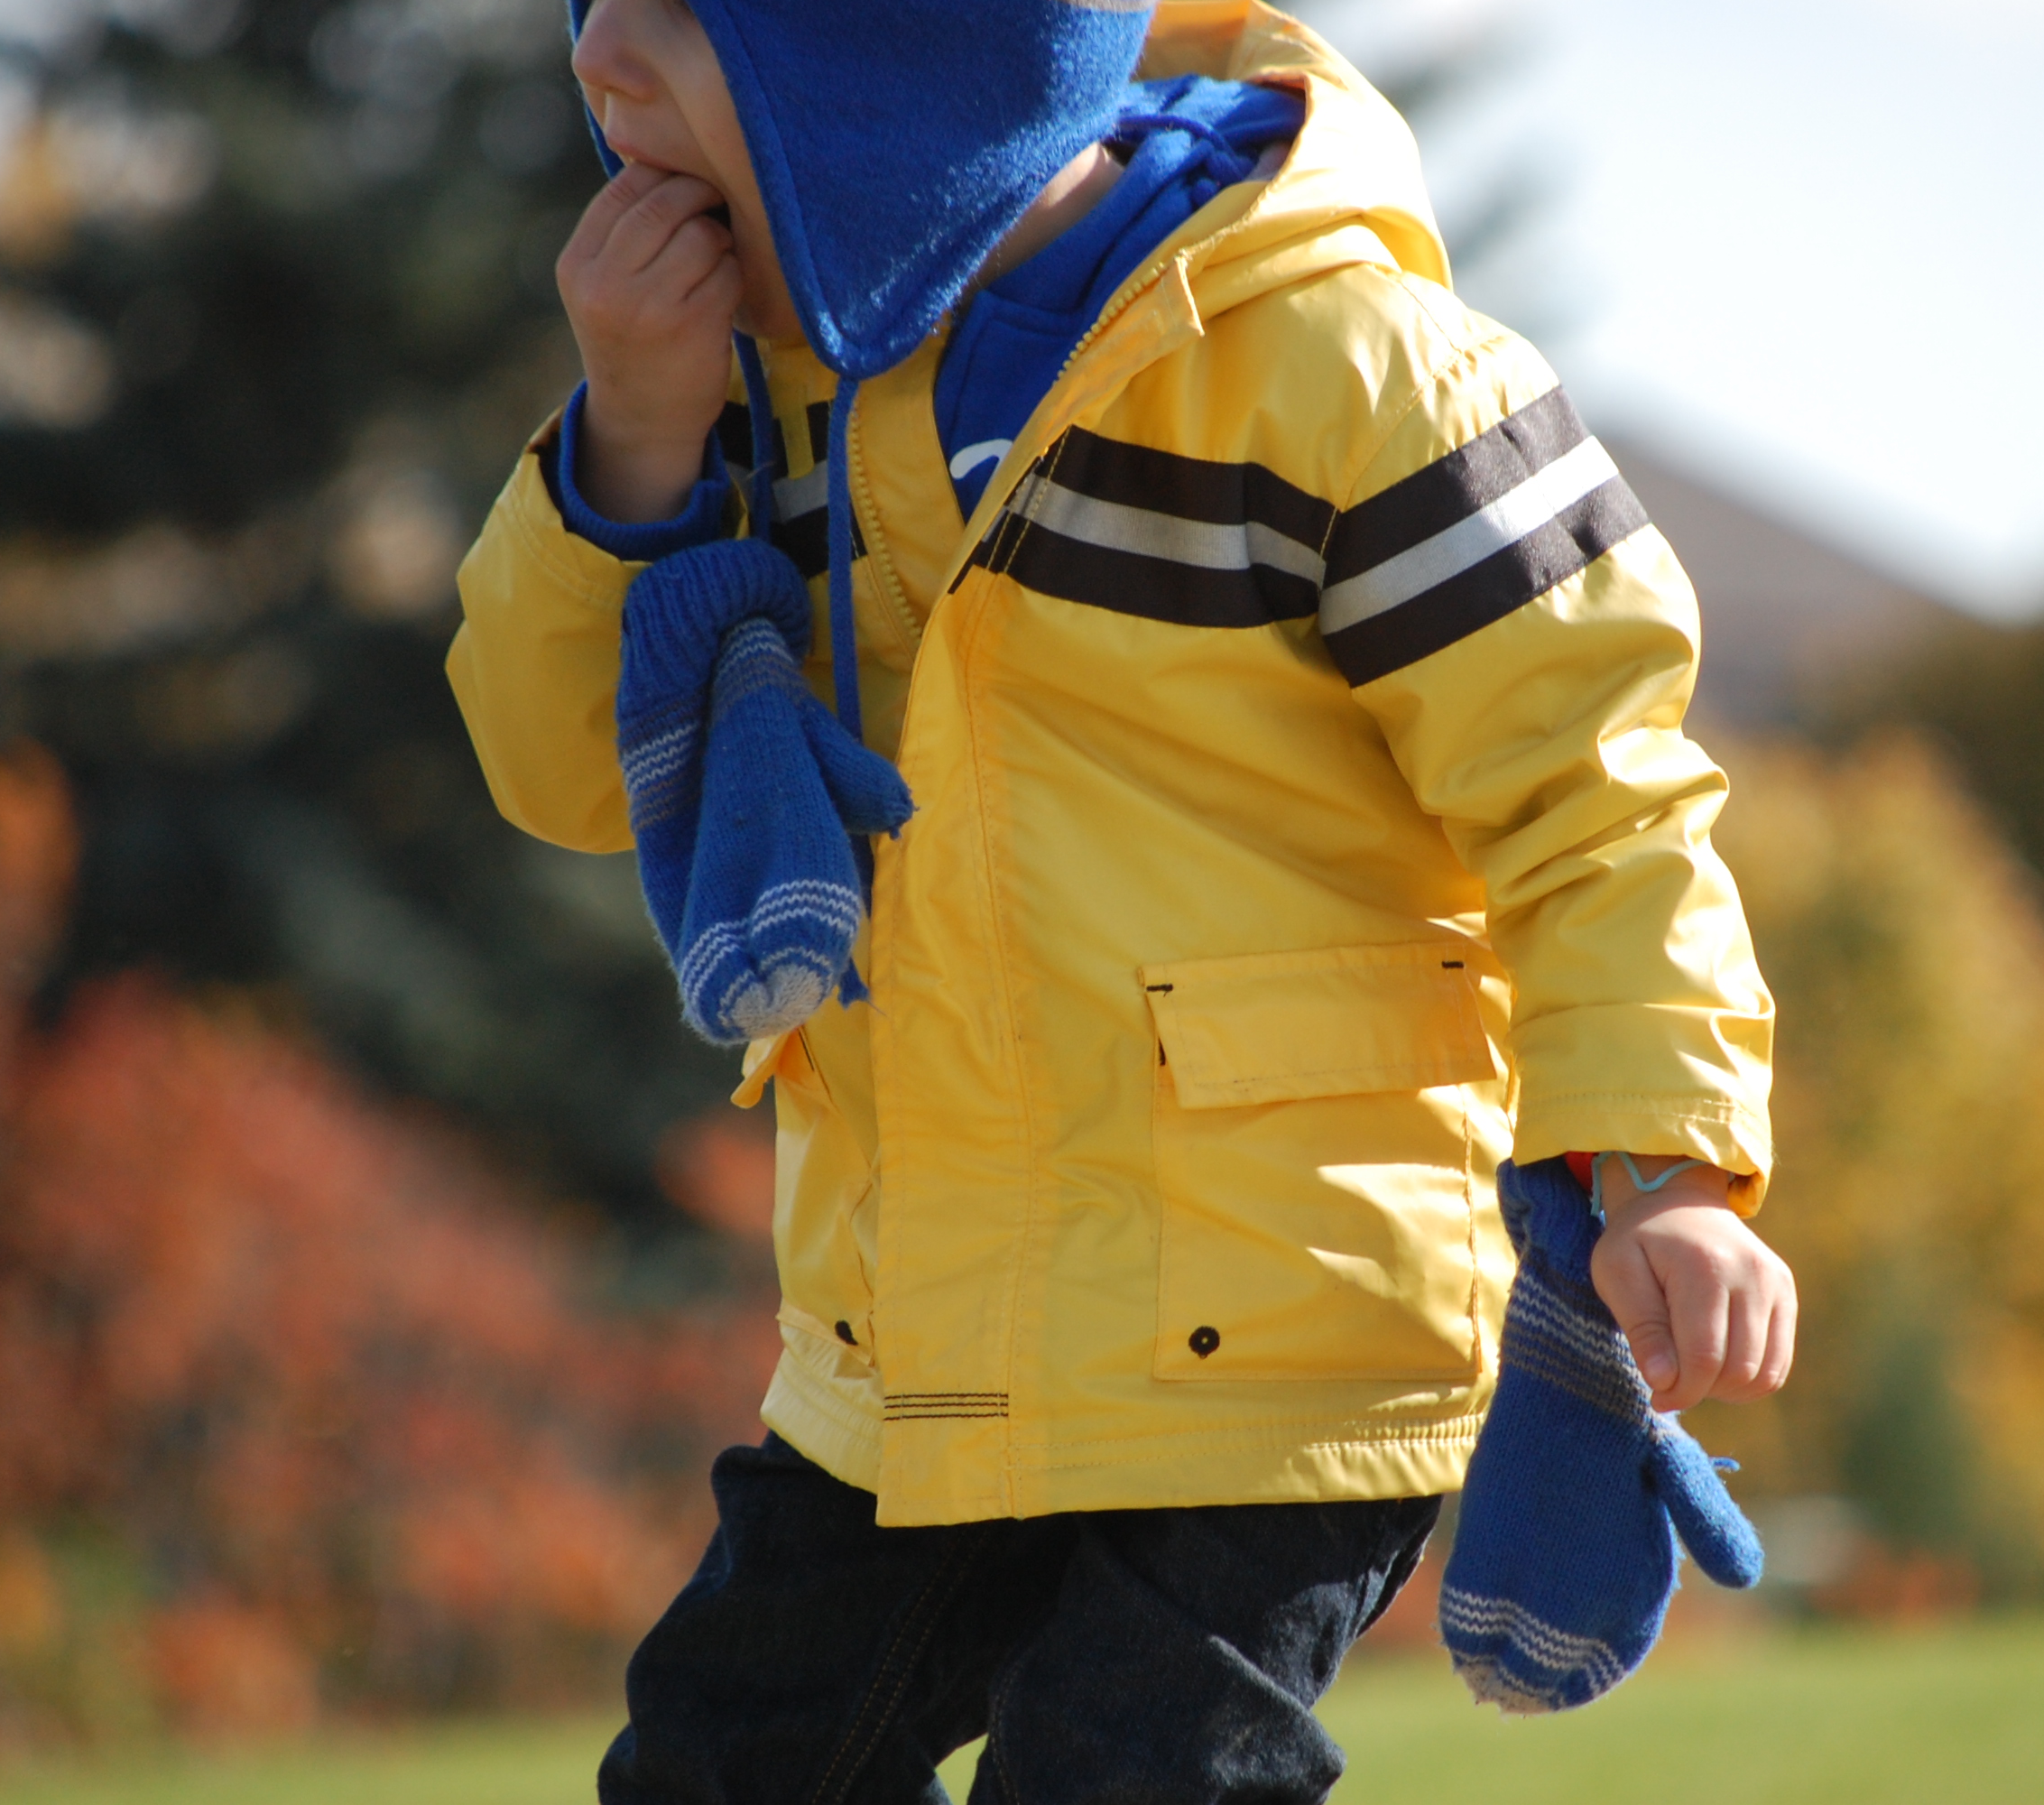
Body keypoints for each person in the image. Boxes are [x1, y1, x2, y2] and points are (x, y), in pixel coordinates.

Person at [445, 0, 1794, 1797]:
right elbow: (562, 768)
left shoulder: (1351, 370)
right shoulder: (745, 402)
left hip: (1279, 1334)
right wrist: (630, 440)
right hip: (917, 1333)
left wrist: (1662, 1165)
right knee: (720, 1770)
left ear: (892, 78)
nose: (600, 58)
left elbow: (1598, 800)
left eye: (683, 18)